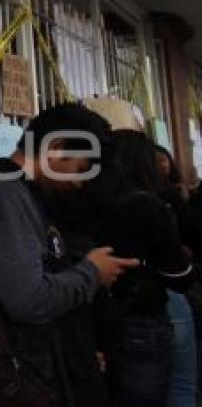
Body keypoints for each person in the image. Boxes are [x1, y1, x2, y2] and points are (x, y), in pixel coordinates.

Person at [0, 103, 139, 405]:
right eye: (82, 168)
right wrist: (92, 273)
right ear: (56, 148)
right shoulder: (6, 195)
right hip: (19, 379)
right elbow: (28, 300)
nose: (80, 183)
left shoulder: (22, 192)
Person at [94, 132, 196, 407]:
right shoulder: (148, 203)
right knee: (181, 386)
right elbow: (179, 276)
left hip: (99, 320)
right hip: (145, 315)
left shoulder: (84, 203)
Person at [155, 145, 199, 407]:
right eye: (155, 161)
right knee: (182, 384)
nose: (161, 166)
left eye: (164, 160)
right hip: (170, 292)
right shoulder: (156, 200)